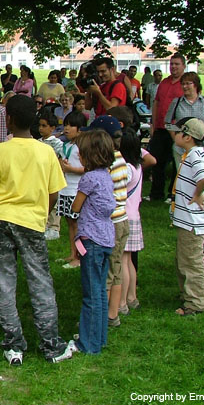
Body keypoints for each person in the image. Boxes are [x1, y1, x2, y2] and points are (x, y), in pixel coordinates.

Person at [0, 95, 73, 365]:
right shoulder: (46, 152)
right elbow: (54, 192)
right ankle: (51, 345)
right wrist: (41, 213)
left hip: (2, 221)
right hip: (32, 222)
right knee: (40, 281)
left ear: (8, 119)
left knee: (4, 282)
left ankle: (14, 344)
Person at [67, 130, 116, 355]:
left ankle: (88, 344)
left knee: (91, 294)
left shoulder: (88, 178)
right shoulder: (106, 175)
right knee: (100, 291)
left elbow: (76, 206)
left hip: (91, 239)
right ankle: (99, 337)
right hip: (106, 238)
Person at [83, 115, 129, 327]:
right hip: (122, 219)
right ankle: (113, 312)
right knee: (115, 267)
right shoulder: (120, 159)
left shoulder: (107, 165)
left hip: (110, 222)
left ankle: (102, 317)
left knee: (106, 273)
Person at [168, 117, 204, 315]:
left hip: (192, 222)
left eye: (178, 132)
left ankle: (195, 302)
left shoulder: (195, 156)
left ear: (187, 137)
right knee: (183, 260)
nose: (175, 135)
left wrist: (198, 194)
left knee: (191, 263)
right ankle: (187, 294)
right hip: (187, 221)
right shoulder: (190, 154)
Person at [119, 127, 155, 314]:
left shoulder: (126, 169)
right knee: (129, 261)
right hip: (134, 216)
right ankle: (132, 297)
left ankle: (121, 302)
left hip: (124, 217)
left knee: (122, 262)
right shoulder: (138, 166)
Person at [148, 53, 185, 201]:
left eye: (177, 64)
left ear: (183, 66)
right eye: (172, 64)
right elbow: (156, 102)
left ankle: (173, 194)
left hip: (176, 129)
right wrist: (153, 124)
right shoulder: (164, 82)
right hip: (160, 127)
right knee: (157, 161)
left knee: (177, 163)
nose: (173, 67)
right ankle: (156, 193)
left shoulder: (186, 83)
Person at [164, 72, 204, 171]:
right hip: (181, 149)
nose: (184, 86)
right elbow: (167, 123)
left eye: (188, 83)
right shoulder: (176, 102)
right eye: (183, 84)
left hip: (202, 147)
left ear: (196, 85)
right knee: (183, 175)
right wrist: (176, 137)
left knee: (201, 174)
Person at [58, 111, 87, 265]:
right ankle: (72, 253)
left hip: (77, 189)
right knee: (70, 223)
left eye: (71, 126)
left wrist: (71, 169)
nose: (66, 129)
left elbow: (87, 168)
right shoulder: (65, 146)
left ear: (80, 130)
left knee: (77, 224)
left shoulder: (82, 147)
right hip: (65, 189)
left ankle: (80, 257)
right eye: (65, 125)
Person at [36, 112, 63, 241]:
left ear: (52, 128)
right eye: (40, 125)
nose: (41, 128)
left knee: (54, 202)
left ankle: (54, 227)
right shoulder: (37, 142)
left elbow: (60, 158)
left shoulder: (57, 143)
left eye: (44, 126)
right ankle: (44, 225)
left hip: (52, 175)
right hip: (40, 176)